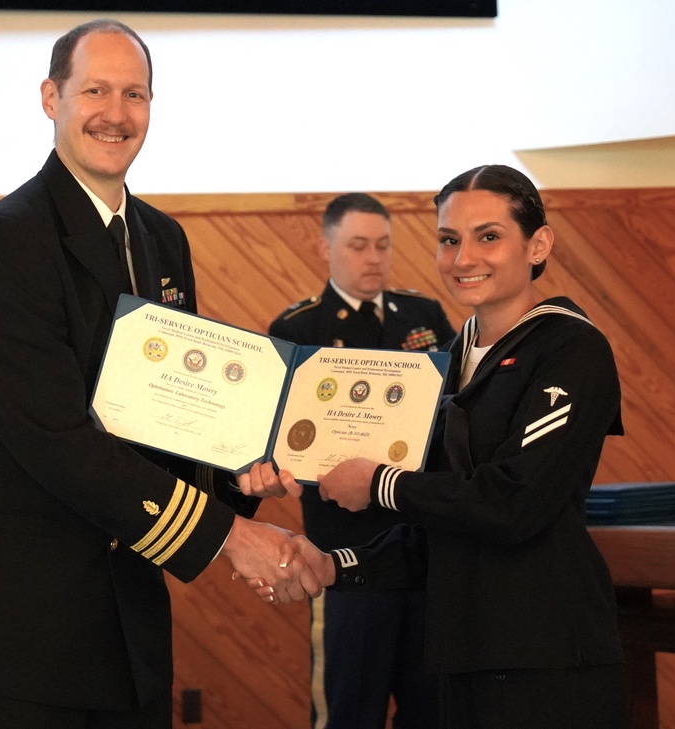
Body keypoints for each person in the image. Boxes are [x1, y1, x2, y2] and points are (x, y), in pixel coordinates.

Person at [0, 20, 317, 729]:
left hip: (125, 626)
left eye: (135, 94)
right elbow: (57, 440)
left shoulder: (162, 239)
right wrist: (230, 537)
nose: (116, 113)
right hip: (17, 637)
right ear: (51, 98)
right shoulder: (6, 242)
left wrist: (236, 473)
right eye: (95, 90)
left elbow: (167, 420)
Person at [249, 165, 628, 729]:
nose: (463, 257)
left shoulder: (572, 348)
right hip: (459, 653)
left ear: (538, 244)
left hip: (543, 653)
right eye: (449, 240)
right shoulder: (450, 359)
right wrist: (336, 565)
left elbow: (512, 503)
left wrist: (378, 482)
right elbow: (439, 524)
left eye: (488, 236)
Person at [267, 193, 453, 729]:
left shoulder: (423, 315)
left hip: (424, 550)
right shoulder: (299, 328)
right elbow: (282, 440)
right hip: (345, 554)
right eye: (358, 245)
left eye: (383, 245)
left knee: (435, 712)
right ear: (326, 248)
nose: (374, 258)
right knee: (349, 712)